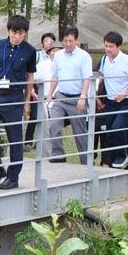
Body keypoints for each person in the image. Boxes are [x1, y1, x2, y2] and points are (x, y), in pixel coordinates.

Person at [0, 15, 37, 190]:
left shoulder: (29, 51)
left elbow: (30, 77)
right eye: (14, 32)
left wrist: (27, 101)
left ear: (25, 33)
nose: (17, 36)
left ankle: (13, 177)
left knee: (14, 140)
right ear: (8, 31)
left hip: (14, 99)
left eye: (21, 33)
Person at [45, 27, 92, 164]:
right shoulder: (58, 55)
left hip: (77, 97)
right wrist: (49, 95)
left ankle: (86, 161)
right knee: (54, 125)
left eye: (71, 41)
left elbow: (87, 78)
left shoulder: (84, 56)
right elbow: (55, 76)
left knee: (80, 132)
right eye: (65, 41)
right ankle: (58, 155)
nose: (68, 44)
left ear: (77, 40)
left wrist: (83, 97)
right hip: (60, 97)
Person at [97, 31, 128, 169]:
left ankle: (123, 155)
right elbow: (102, 77)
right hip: (110, 102)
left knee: (117, 127)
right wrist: (99, 95)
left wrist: (123, 93)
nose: (108, 49)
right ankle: (113, 160)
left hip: (126, 102)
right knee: (109, 131)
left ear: (118, 47)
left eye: (111, 46)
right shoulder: (104, 60)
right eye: (106, 46)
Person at [26, 32, 58, 147]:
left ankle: (41, 140)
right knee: (35, 115)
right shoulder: (38, 55)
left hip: (50, 90)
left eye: (51, 41)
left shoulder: (58, 58)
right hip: (36, 88)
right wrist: (32, 91)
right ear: (42, 43)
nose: (49, 43)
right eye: (46, 41)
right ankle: (28, 141)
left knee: (48, 118)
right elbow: (31, 73)